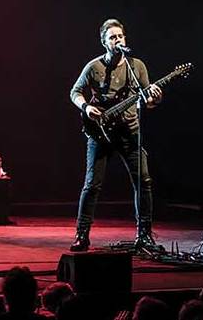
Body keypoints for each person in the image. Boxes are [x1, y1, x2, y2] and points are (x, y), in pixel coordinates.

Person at [69, 19, 162, 251]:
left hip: (130, 132)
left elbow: (146, 101)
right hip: (100, 133)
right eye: (112, 37)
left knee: (144, 181)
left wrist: (155, 99)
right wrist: (86, 107)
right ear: (104, 42)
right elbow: (75, 91)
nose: (117, 40)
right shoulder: (94, 67)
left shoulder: (136, 66)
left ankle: (145, 235)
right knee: (92, 185)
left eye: (120, 36)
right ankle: (82, 234)